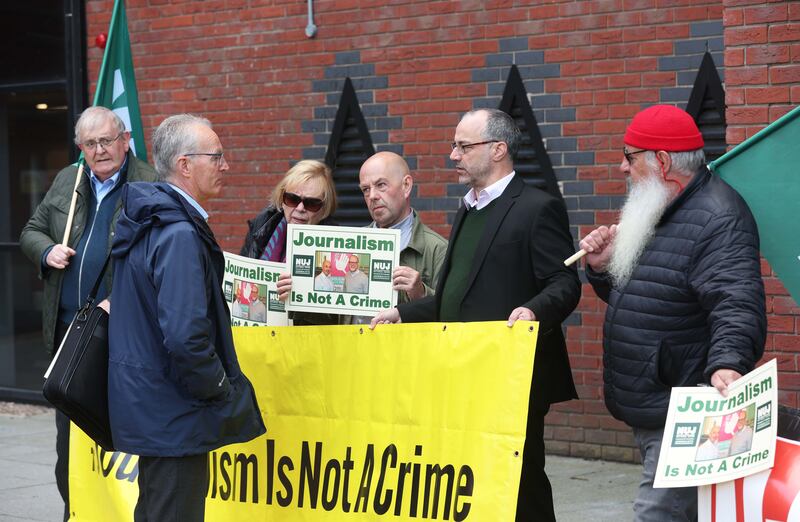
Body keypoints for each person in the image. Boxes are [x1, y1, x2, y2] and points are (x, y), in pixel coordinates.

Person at [371, 108, 581, 521]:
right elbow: (455, 295)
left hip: (512, 375)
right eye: (455, 146)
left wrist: (533, 310)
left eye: (464, 146)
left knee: (522, 483)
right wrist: (405, 314)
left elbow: (564, 284)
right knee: (477, 482)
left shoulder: (538, 208)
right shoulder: (468, 208)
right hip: (464, 373)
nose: (453, 155)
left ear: (498, 149)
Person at [578, 105, 767, 521]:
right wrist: (604, 267)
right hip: (654, 399)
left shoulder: (719, 216)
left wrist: (728, 362)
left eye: (629, 156)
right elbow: (646, 296)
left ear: (661, 162)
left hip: (683, 406)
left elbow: (736, 300)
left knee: (657, 515)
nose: (622, 167)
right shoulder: (658, 204)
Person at [107, 114, 265, 521]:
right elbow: (184, 336)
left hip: (157, 407)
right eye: (217, 157)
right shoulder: (176, 233)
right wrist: (217, 387)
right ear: (184, 165)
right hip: (174, 411)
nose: (225, 165)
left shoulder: (151, 222)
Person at [19, 106, 157, 520]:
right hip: (68, 336)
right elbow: (31, 230)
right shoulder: (69, 179)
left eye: (108, 140)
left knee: (126, 440)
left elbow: (159, 258)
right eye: (90, 143)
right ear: (81, 147)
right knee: (69, 445)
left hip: (121, 336)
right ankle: (75, 512)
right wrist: (46, 250)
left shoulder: (149, 184)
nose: (100, 150)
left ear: (125, 139)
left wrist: (125, 297)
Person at [240, 159, 339, 325]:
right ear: (282, 198)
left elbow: (337, 317)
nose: (300, 208)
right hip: (259, 337)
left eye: (311, 203)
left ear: (324, 209)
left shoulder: (337, 243)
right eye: (292, 199)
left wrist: (298, 295)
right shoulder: (261, 226)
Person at [358, 151, 447, 303]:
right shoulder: (350, 243)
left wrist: (421, 293)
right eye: (366, 189)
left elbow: (449, 315)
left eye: (381, 185)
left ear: (406, 186)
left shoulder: (437, 249)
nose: (372, 195)